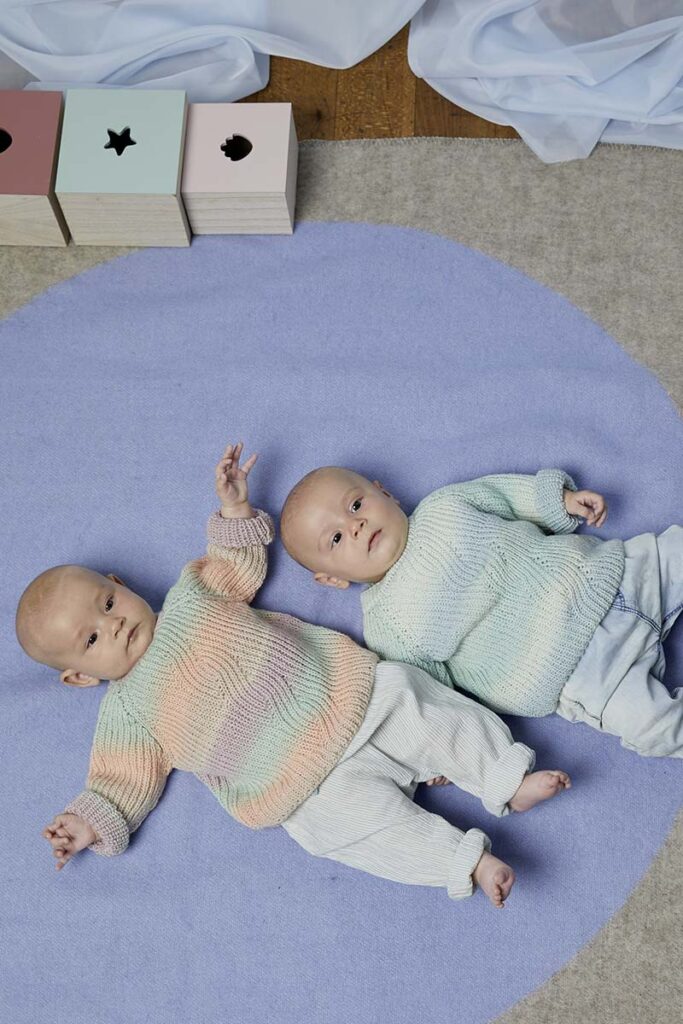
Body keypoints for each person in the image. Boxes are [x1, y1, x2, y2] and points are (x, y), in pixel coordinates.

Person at [16, 444, 570, 908]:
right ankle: (466, 863)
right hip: (301, 789)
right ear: (80, 678)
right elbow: (121, 778)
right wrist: (87, 822)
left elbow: (237, 563)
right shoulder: (129, 711)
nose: (113, 626)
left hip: (352, 699)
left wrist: (235, 508)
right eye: (92, 640)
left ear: (119, 584)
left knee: (422, 703)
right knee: (360, 832)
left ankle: (504, 776)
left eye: (107, 603)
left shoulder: (192, 597)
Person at [280, 466, 683, 757]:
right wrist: (444, 751)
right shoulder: (386, 626)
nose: (355, 525)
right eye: (336, 538)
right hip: (582, 675)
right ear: (331, 579)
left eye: (355, 504)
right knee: (654, 727)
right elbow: (433, 696)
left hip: (611, 575)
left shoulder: (444, 506)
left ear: (385, 493)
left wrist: (560, 501)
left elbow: (504, 496)